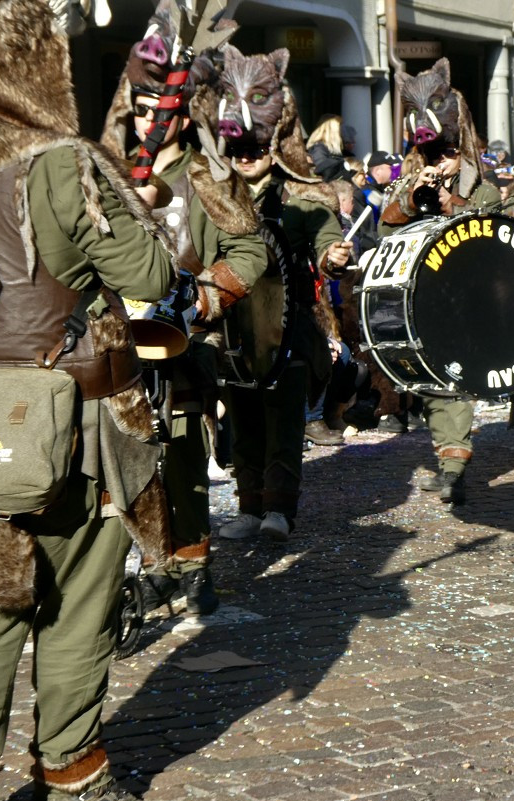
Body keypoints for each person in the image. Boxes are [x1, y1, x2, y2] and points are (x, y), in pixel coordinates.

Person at [0, 2, 176, 801]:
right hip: (68, 422)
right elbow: (151, 277)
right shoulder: (62, 164)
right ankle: (68, 770)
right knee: (75, 603)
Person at [107, 76, 267, 617]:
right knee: (123, 466)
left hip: (181, 340)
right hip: (111, 345)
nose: (147, 123)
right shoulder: (107, 171)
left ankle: (194, 567)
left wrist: (204, 299)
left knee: (181, 462)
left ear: (178, 116)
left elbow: (249, 248)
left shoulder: (206, 176)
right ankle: (151, 566)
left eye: (158, 110)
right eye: (139, 112)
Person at [212, 48, 353, 543]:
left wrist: (333, 255)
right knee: (243, 423)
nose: (247, 157)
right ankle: (248, 506)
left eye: (257, 147)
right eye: (240, 148)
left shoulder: (303, 194)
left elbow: (325, 237)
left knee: (283, 423)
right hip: (229, 328)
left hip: (289, 325)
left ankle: (280, 508)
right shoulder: (215, 192)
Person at [380, 136, 502, 504]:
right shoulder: (413, 184)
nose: (442, 161)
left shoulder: (485, 191)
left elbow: (491, 233)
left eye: (449, 153)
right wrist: (411, 197)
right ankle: (448, 461)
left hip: (467, 296)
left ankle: (454, 469)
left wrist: (451, 203)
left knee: (457, 379)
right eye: (434, 155)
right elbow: (386, 233)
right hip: (425, 295)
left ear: (463, 155)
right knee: (430, 379)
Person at [306, 114, 349, 183]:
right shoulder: (319, 148)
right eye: (340, 127)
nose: (343, 131)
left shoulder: (330, 149)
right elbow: (323, 172)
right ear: (332, 130)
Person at [362, 150, 398, 220]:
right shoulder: (365, 194)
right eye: (390, 167)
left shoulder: (381, 188)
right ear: (377, 171)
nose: (394, 170)